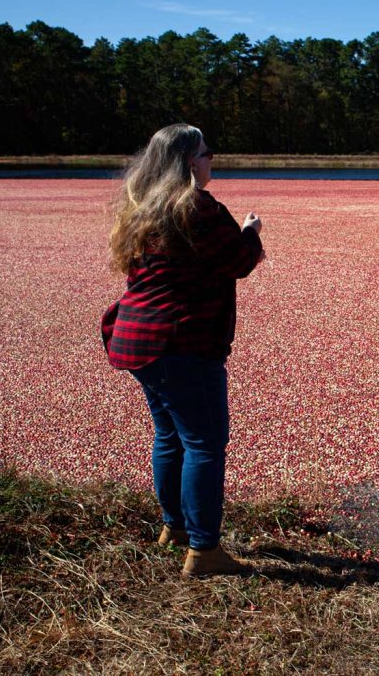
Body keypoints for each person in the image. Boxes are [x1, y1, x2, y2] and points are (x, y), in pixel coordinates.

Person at [101, 123, 265, 578]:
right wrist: (251, 232)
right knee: (205, 443)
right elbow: (236, 261)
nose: (213, 161)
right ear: (190, 162)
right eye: (208, 154)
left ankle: (174, 527)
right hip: (182, 341)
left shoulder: (141, 208)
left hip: (135, 339)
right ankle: (204, 550)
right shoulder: (195, 206)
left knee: (170, 435)